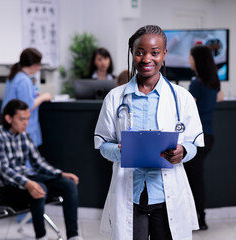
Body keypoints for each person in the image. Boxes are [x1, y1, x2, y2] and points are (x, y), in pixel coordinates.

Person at [94, 25, 204, 240]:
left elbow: (193, 144)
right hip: (131, 196)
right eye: (140, 52)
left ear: (164, 54)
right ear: (132, 54)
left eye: (154, 53)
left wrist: (183, 152)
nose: (147, 59)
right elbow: (103, 144)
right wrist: (121, 151)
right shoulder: (115, 98)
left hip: (166, 194)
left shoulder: (182, 98)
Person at [0, 99, 82, 240]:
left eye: (27, 119)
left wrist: (60, 173)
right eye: (21, 119)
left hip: (26, 179)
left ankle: (73, 236)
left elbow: (38, 162)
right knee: (39, 188)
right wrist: (27, 183)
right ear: (8, 118)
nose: (26, 123)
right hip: (5, 187)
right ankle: (41, 236)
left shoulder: (24, 135)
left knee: (68, 185)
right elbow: (3, 169)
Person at [184, 44, 223, 230]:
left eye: (190, 57)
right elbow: (219, 98)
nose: (189, 60)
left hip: (197, 138)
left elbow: (189, 108)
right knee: (196, 178)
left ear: (196, 60)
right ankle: (198, 217)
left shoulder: (196, 83)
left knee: (194, 180)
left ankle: (199, 219)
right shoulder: (213, 82)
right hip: (209, 137)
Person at [1, 48, 52, 148]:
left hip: (12, 126)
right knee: (26, 160)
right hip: (24, 129)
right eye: (38, 65)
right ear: (33, 64)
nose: (39, 68)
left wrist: (33, 95)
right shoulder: (24, 80)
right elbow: (28, 105)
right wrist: (43, 97)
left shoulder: (15, 76)